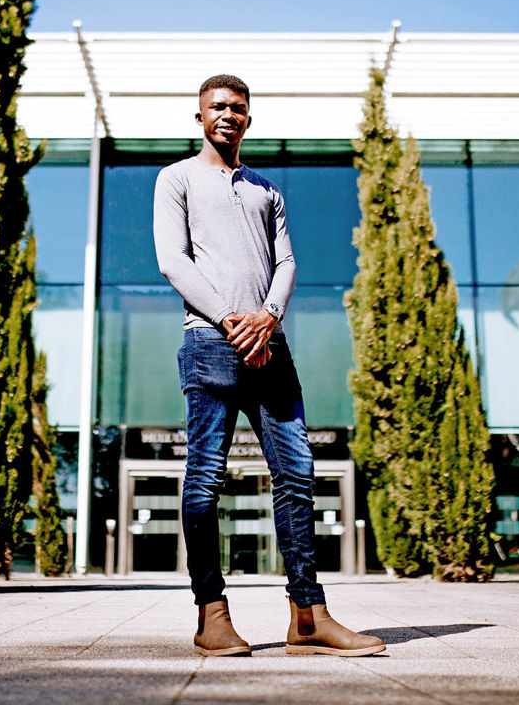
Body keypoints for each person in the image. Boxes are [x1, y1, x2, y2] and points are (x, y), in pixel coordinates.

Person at [153, 74, 385, 658]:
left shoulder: (267, 191)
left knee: (298, 476)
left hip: (271, 349)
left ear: (249, 118)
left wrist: (269, 317)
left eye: (237, 108)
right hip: (210, 342)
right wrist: (235, 319)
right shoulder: (175, 178)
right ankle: (212, 615)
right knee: (205, 479)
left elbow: (286, 261)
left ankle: (308, 615)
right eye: (217, 107)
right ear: (200, 117)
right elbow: (172, 261)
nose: (227, 115)